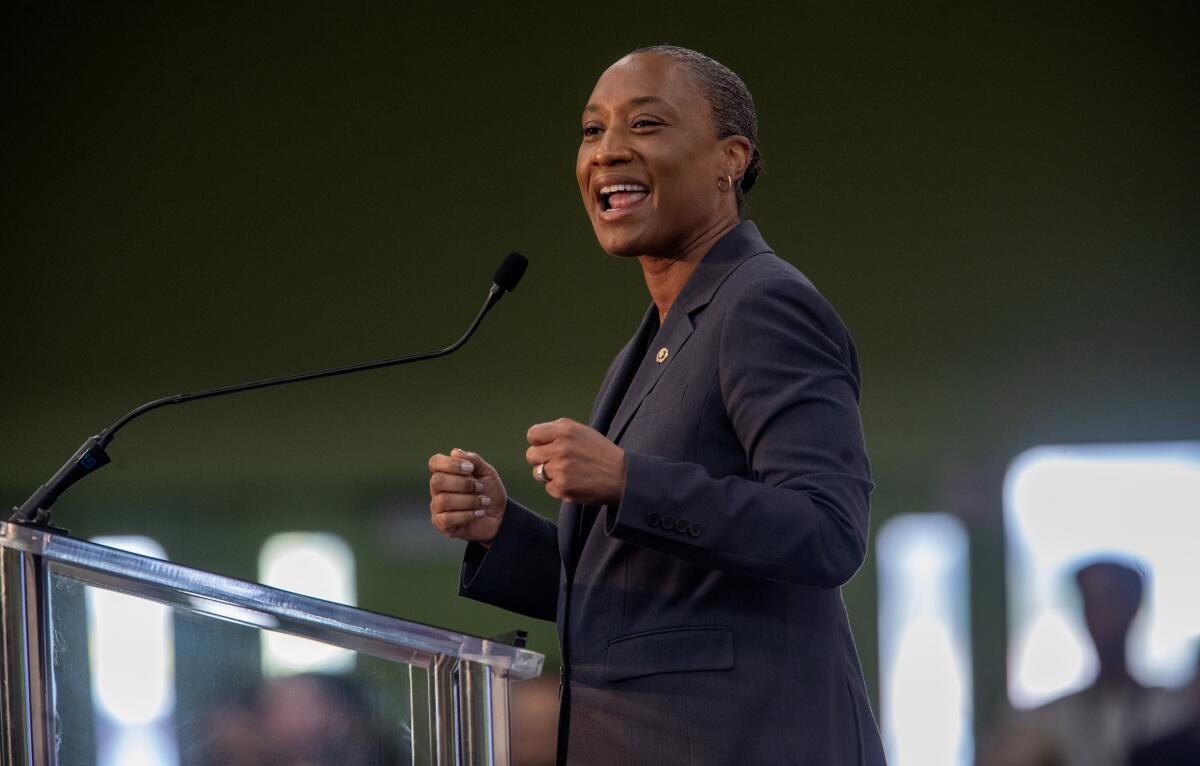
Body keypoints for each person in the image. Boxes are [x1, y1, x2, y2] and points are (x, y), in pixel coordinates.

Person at [427, 45, 884, 765]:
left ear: (730, 158)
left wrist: (626, 479)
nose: (607, 152)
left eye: (644, 125)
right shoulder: (657, 339)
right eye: (591, 131)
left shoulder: (764, 303)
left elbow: (827, 530)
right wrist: (500, 531)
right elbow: (652, 600)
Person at [979, 560, 1190, 766]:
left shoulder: (1175, 709)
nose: (1102, 618)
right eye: (1093, 604)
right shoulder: (1050, 719)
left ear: (1133, 608)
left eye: (1112, 602)